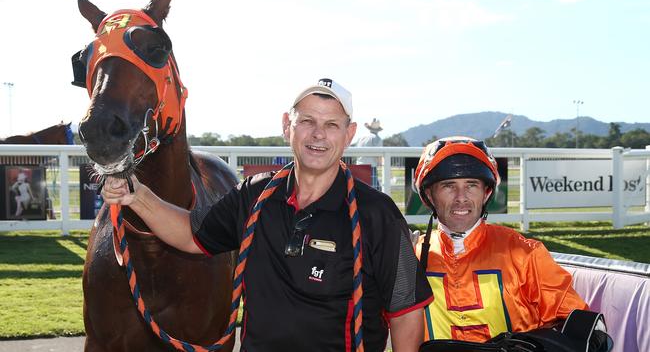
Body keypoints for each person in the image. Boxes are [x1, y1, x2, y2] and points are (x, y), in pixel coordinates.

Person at [101, 78, 433, 352]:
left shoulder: (379, 215)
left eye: (332, 125)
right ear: (288, 126)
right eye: (308, 121)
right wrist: (137, 195)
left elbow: (406, 311)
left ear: (349, 134)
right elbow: (191, 234)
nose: (318, 134)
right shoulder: (254, 195)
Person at [413, 136, 588, 343]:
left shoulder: (525, 253)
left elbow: (580, 326)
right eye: (448, 186)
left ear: (486, 193)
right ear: (429, 196)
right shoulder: (411, 255)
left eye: (471, 185)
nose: (461, 197)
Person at [355, 118, 383, 190]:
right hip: (371, 167)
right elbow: (379, 155)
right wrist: (380, 163)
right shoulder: (377, 138)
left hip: (359, 166)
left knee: (361, 190)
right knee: (375, 190)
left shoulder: (361, 138)